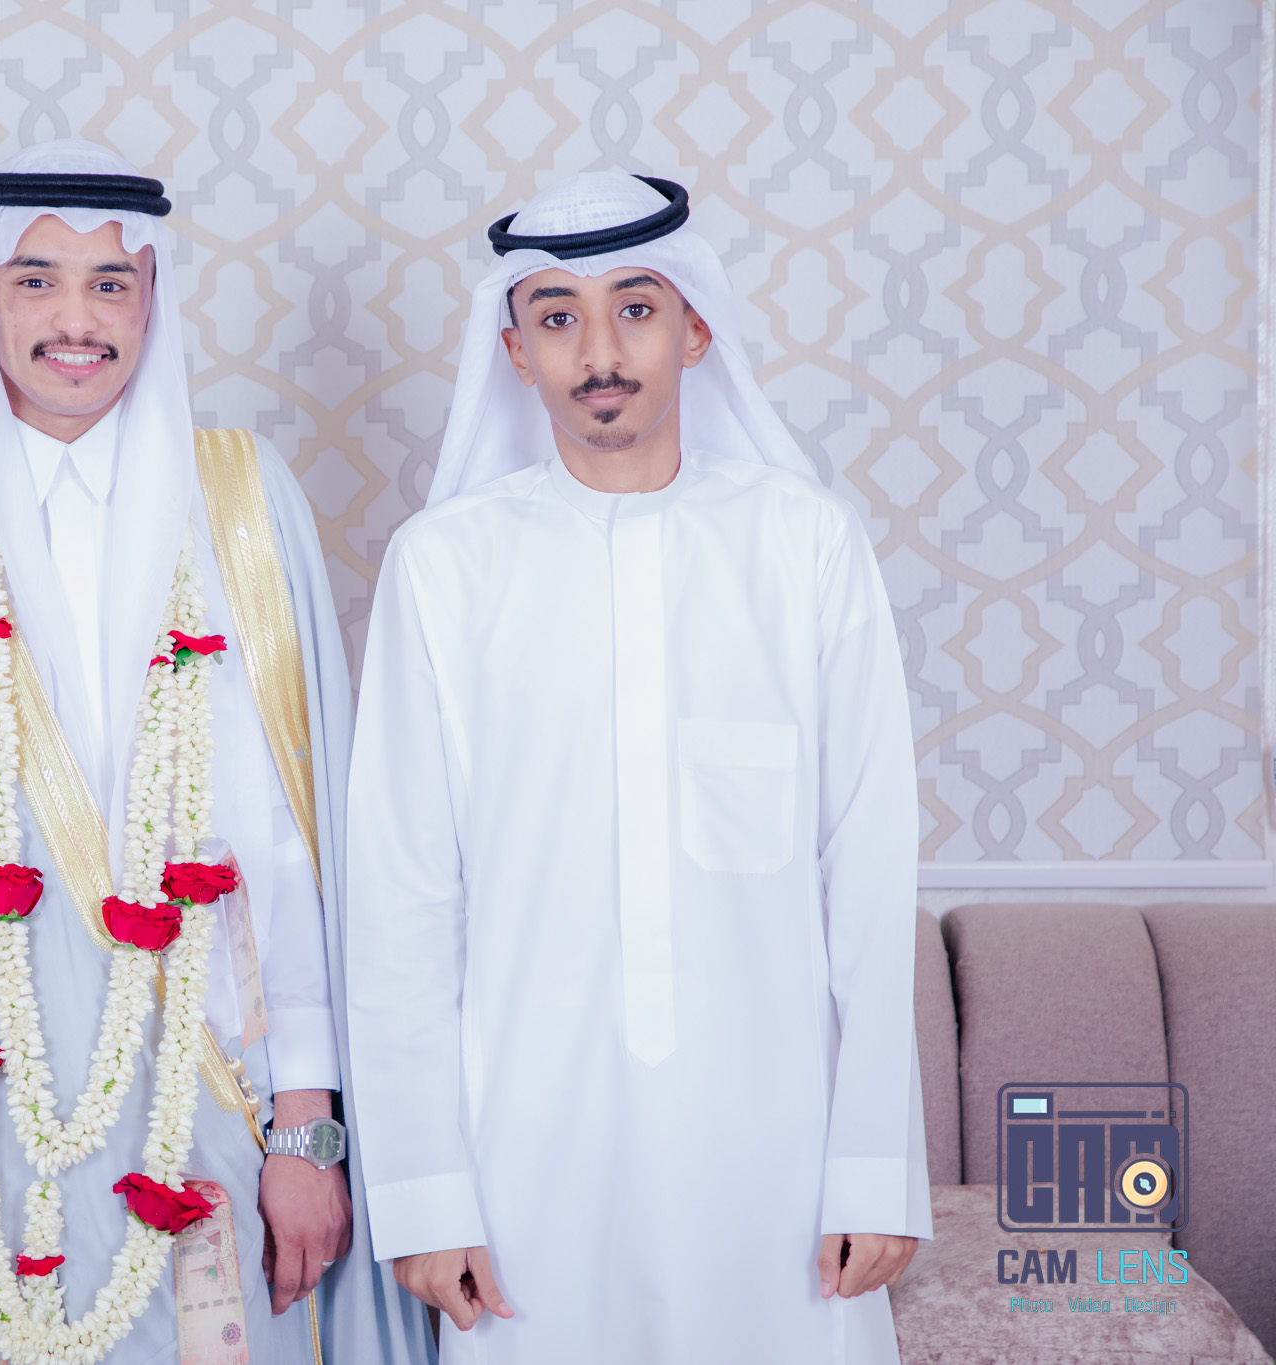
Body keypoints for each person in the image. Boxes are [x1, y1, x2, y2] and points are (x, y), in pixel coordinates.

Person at [0, 139, 430, 1365]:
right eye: (36, 280)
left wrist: (306, 1131)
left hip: (214, 1104)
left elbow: (293, 846)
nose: (75, 319)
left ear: (153, 298)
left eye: (110, 283)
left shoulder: (239, 497)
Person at [343, 170, 932, 1363]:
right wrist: (422, 1192)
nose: (599, 352)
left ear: (695, 330)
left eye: (635, 308)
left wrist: (873, 1167)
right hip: (525, 1153)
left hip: (775, 1150)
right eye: (557, 316)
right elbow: (400, 897)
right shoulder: (443, 567)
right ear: (513, 351)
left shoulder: (803, 545)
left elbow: (867, 874)